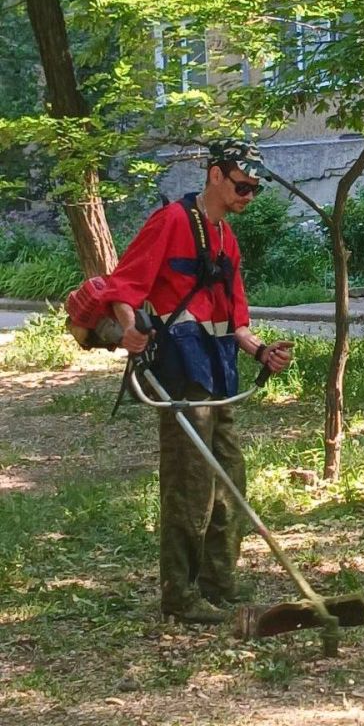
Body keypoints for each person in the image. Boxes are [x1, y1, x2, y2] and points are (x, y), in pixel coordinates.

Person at [105, 139, 293, 624]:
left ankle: (218, 583)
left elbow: (238, 321)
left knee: (230, 480)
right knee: (191, 486)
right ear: (215, 174)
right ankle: (180, 596)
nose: (248, 195)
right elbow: (124, 286)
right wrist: (129, 329)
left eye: (255, 189)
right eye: (242, 185)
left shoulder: (227, 240)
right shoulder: (170, 222)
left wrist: (261, 352)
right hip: (181, 376)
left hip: (221, 374)